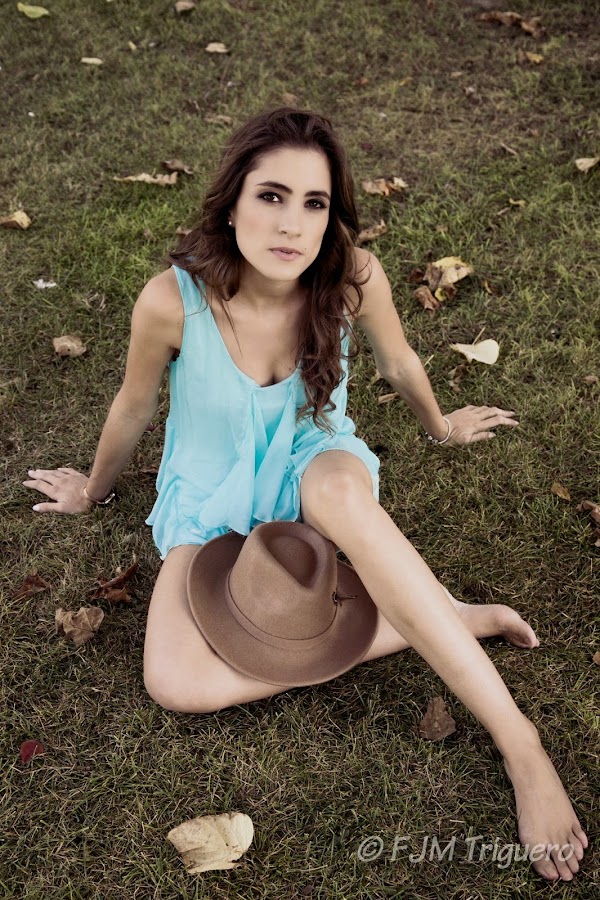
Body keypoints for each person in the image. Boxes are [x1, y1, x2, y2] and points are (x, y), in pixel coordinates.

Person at [23, 107, 587, 882]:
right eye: (272, 196)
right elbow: (133, 405)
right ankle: (438, 619)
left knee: (345, 499)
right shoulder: (172, 300)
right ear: (232, 203)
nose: (292, 223)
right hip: (210, 496)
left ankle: (521, 745)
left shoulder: (352, 277)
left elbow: (397, 363)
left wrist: (441, 428)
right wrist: (93, 491)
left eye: (314, 203)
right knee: (174, 683)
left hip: (313, 463)